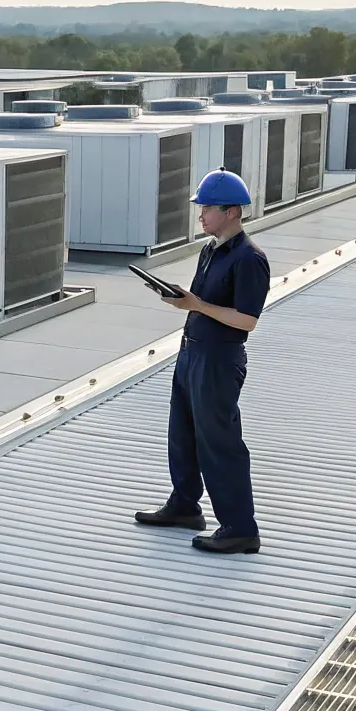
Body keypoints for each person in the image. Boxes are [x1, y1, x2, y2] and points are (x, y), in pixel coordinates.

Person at [134, 169, 270, 554]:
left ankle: (241, 527)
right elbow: (205, 304)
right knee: (182, 434)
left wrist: (196, 305)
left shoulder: (250, 259)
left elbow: (248, 320)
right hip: (192, 350)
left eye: (206, 208)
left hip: (219, 359)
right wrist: (184, 300)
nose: (201, 215)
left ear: (231, 211)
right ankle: (184, 505)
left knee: (219, 442)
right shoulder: (210, 250)